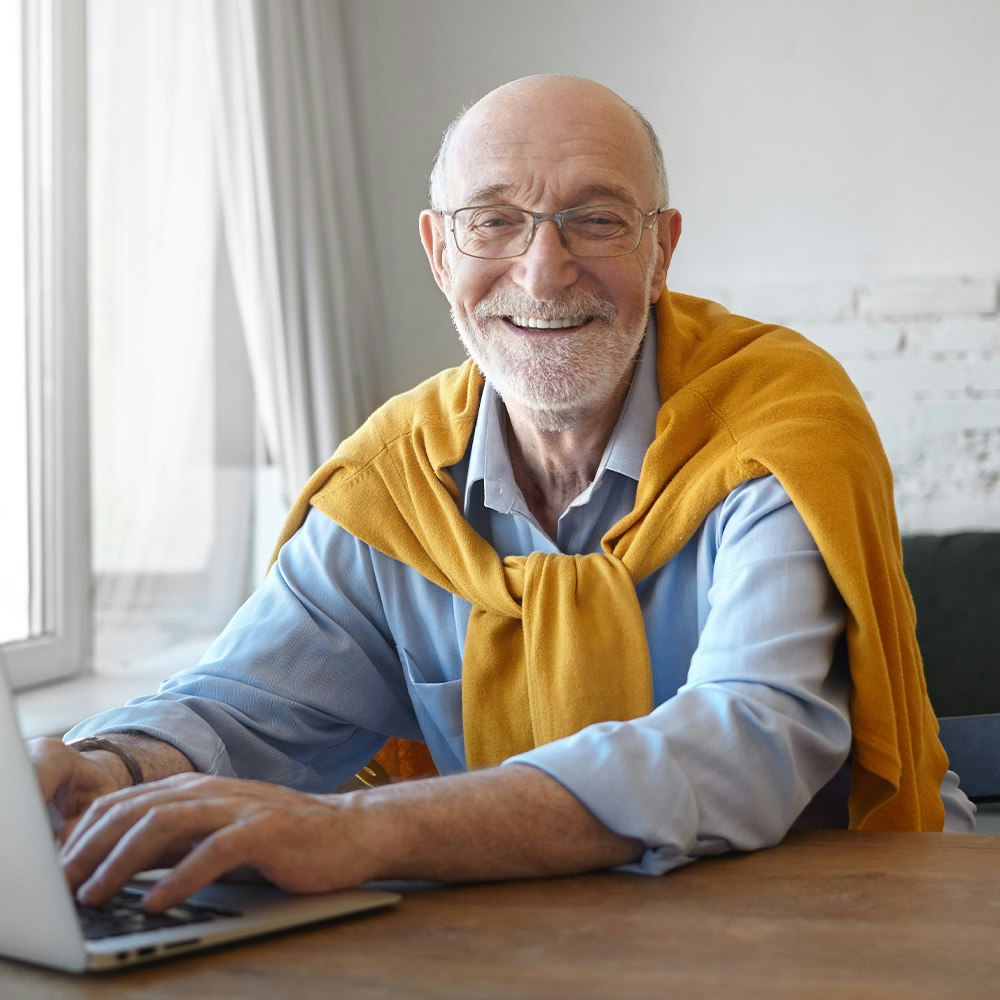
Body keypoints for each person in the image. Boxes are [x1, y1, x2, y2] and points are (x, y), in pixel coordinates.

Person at [32, 75, 973, 914]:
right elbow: (247, 710)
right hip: (529, 931)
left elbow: (747, 740)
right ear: (441, 251)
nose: (542, 270)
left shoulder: (781, 422)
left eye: (597, 219)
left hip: (829, 917)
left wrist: (366, 833)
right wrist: (103, 770)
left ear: (662, 251)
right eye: (494, 220)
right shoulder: (396, 478)